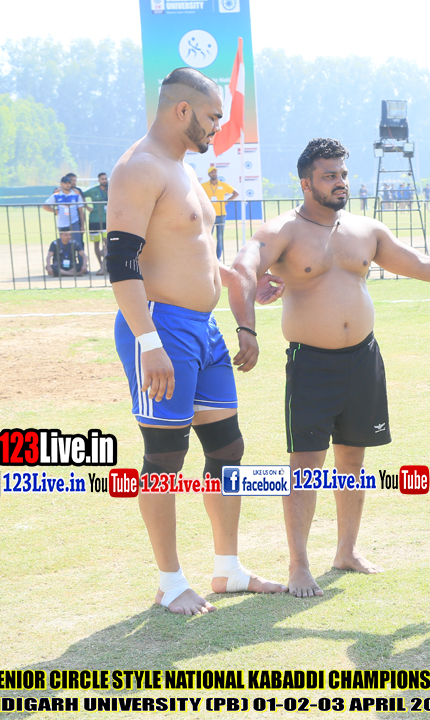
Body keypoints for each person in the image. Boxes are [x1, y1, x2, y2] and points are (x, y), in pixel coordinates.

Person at [226, 137, 430, 598]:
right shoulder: (283, 231)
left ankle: (346, 551)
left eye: (343, 174)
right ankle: (299, 565)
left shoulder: (366, 230)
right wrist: (248, 325)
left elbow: (419, 264)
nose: (340, 182)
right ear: (306, 183)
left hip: (363, 359)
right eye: (329, 176)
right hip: (311, 364)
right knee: (305, 465)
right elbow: (241, 268)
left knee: (352, 460)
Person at [106, 67, 287, 615]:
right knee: (165, 455)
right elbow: (121, 263)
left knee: (227, 448)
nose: (217, 127)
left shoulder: (182, 169)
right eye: (212, 117)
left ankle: (228, 569)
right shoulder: (139, 167)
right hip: (161, 327)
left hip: (203, 330)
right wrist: (149, 343)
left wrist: (242, 290)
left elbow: (196, 253)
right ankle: (169, 581)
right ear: (182, 110)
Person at [201, 167, 239, 260]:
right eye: (212, 173)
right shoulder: (204, 185)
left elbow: (236, 193)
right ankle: (209, 256)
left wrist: (226, 201)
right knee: (208, 236)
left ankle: (218, 257)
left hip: (221, 214)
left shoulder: (223, 185)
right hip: (209, 214)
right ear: (209, 174)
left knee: (220, 237)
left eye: (215, 172)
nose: (214, 174)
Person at [43, 175, 86, 245]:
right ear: (61, 184)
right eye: (65, 183)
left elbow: (81, 210)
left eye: (69, 183)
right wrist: (55, 211)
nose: (68, 185)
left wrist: (82, 226)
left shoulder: (76, 194)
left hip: (74, 222)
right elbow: (45, 206)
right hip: (62, 223)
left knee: (77, 244)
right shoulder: (56, 194)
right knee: (64, 243)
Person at [83, 173, 110, 275]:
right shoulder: (93, 190)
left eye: (105, 178)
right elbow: (81, 195)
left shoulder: (111, 189)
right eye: (102, 179)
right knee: (96, 244)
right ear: (98, 180)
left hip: (106, 220)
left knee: (107, 243)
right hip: (94, 221)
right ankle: (101, 265)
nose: (104, 180)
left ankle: (104, 266)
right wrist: (87, 207)